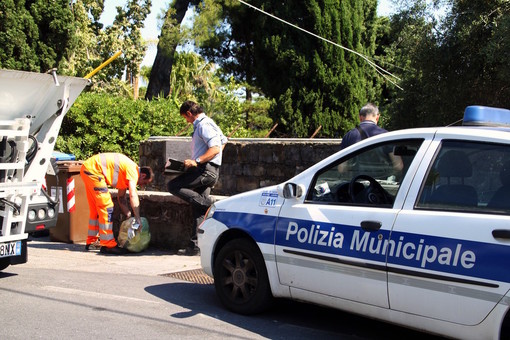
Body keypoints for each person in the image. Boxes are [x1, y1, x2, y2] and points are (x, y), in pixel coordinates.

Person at [167, 100, 227, 255]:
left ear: (189, 113)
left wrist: (197, 161)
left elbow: (215, 148)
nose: (186, 121)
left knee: (173, 186)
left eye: (185, 118)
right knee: (197, 209)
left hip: (204, 170)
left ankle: (210, 206)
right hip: (210, 169)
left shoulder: (203, 124)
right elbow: (223, 141)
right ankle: (195, 247)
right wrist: (214, 159)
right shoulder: (209, 122)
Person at [80, 153, 153, 254]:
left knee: (96, 209)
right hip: (94, 171)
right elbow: (133, 194)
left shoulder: (127, 171)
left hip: (88, 169)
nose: (142, 186)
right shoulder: (133, 171)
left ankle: (92, 241)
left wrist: (128, 215)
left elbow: (121, 197)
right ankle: (108, 245)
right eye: (144, 183)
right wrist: (137, 218)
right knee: (107, 207)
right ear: (143, 175)